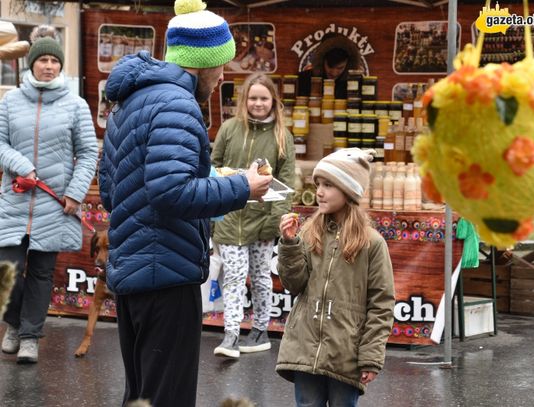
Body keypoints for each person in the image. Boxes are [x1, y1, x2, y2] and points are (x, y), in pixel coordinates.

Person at [98, 0, 272, 406]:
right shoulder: (177, 104)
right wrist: (242, 187)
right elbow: (170, 192)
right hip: (165, 275)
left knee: (141, 394)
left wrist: (208, 179)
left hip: (135, 273)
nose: (225, 73)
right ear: (202, 63)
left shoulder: (130, 101)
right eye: (221, 64)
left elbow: (114, 191)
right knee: (167, 397)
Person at [0, 37, 98, 364]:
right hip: (15, 199)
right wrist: (21, 165)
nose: (48, 66)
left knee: (42, 273)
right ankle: (13, 323)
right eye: (42, 61)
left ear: (60, 66)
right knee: (8, 268)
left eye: (54, 62)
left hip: (54, 204)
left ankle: (29, 336)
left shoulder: (76, 105)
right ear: (32, 64)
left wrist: (74, 192)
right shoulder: (10, 101)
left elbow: (87, 154)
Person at [276, 148, 395, 407]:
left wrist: (371, 357)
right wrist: (290, 245)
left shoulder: (372, 243)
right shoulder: (308, 232)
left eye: (328, 185)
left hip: (346, 352)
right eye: (318, 183)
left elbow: (381, 304)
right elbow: (293, 284)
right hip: (305, 348)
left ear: (349, 191)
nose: (319, 191)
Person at [211, 73, 295, 358]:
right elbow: (213, 166)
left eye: (264, 98)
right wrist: (213, 208)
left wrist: (275, 220)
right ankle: (231, 334)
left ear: (273, 101)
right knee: (233, 276)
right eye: (253, 98)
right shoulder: (229, 129)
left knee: (260, 276)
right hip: (230, 216)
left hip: (263, 219)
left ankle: (259, 330)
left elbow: (287, 182)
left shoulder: (283, 136)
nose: (258, 104)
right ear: (244, 100)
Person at [297, 33, 361, 99]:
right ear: (321, 61)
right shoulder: (303, 80)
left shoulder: (356, 83)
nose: (334, 73)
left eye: (340, 68)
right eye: (330, 66)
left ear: (348, 64)